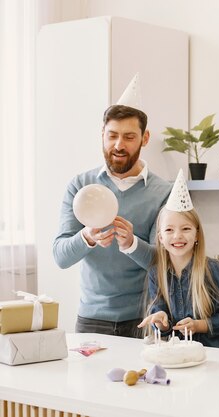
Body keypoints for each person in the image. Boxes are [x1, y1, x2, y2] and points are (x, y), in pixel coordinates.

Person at [53, 103, 172, 337]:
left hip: (143, 320)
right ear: (102, 135)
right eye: (112, 135)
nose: (119, 145)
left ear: (144, 138)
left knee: (140, 376)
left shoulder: (163, 192)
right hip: (91, 321)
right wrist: (86, 236)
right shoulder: (80, 186)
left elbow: (163, 263)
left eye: (129, 137)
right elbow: (60, 256)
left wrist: (131, 244)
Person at [137, 174, 219, 347]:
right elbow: (161, 320)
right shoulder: (156, 273)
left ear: (197, 234)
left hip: (210, 357)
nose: (177, 236)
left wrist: (199, 325)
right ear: (160, 238)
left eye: (185, 228)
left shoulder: (211, 269)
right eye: (169, 230)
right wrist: (162, 322)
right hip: (176, 355)